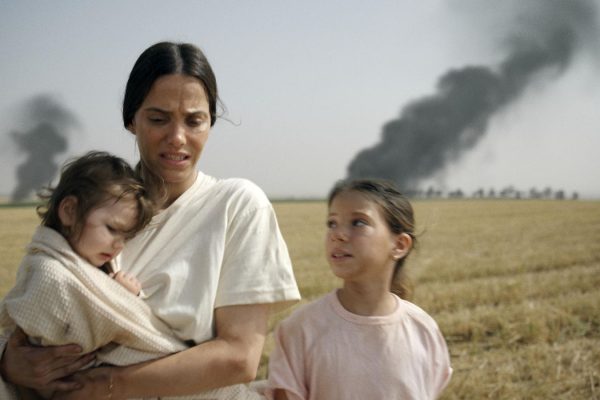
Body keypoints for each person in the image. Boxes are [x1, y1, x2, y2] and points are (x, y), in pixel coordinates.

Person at [0, 42, 300, 399]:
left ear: (210, 123)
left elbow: (239, 358)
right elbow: (38, 300)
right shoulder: (94, 206)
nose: (177, 138)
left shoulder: (237, 206)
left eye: (194, 121)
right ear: (132, 120)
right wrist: (9, 363)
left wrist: (107, 386)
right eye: (158, 119)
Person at [0, 151, 194, 399]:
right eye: (112, 229)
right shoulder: (49, 272)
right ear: (69, 211)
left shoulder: (92, 265)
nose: (119, 245)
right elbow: (78, 343)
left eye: (126, 237)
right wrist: (120, 296)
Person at [265, 179, 452, 400]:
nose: (338, 234)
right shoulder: (299, 330)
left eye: (358, 223)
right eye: (332, 223)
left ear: (399, 245)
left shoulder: (423, 329)